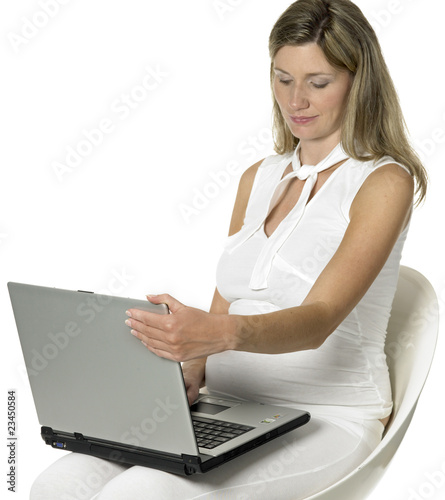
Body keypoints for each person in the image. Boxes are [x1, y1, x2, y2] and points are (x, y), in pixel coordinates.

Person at [31, 0, 428, 498]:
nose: (296, 99)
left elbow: (320, 320)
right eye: (283, 78)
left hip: (328, 416)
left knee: (139, 493)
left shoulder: (383, 181)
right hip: (227, 406)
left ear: (359, 81)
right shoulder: (259, 177)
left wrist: (215, 335)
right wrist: (190, 363)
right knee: (58, 485)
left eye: (318, 82)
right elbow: (227, 297)